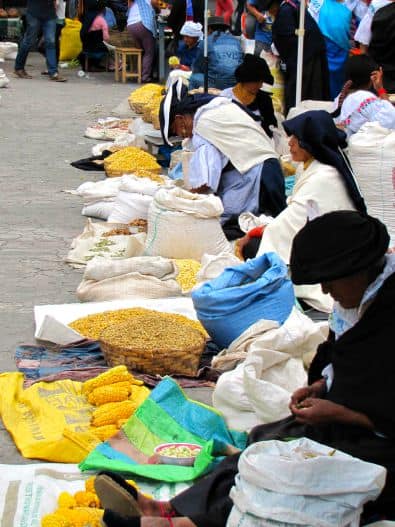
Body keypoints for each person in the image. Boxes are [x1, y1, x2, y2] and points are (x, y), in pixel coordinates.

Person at [94, 211, 395, 527]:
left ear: (361, 272)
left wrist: (340, 414)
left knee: (292, 471)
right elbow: (343, 364)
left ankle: (185, 523)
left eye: (330, 282)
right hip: (343, 420)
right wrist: (321, 385)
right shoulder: (357, 302)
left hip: (381, 446)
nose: (325, 291)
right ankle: (169, 509)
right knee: (265, 442)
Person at [241, 110, 366, 312]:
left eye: (296, 139)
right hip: (325, 242)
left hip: (333, 254)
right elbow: (296, 216)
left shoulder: (324, 177)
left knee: (255, 249)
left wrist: (256, 232)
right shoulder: (314, 167)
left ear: (310, 142)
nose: (290, 143)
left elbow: (287, 226)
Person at [159, 81, 286, 234]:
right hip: (268, 169)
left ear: (180, 119)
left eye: (176, 131)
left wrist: (185, 201)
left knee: (240, 227)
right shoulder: (215, 109)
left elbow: (206, 179)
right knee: (272, 228)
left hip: (261, 176)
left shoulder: (203, 124)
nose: (181, 135)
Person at [271, 0, 330, 114]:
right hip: (310, 55)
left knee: (301, 94)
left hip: (305, 60)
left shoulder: (286, 11)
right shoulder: (293, 6)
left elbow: (285, 38)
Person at [333, 55, 395, 137]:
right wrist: (380, 89)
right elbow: (391, 120)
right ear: (373, 77)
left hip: (349, 141)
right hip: (361, 145)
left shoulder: (341, 96)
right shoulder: (365, 98)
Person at [221, 53, 277, 138]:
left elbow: (271, 129)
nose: (260, 85)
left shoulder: (264, 100)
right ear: (246, 79)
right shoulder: (226, 96)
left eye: (261, 82)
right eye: (257, 82)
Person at [14, 0, 67, 81]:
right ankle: (19, 68)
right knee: (29, 41)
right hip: (34, 13)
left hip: (50, 14)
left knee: (51, 42)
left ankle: (53, 72)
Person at [189, 16, 243, 91]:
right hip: (236, 83)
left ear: (209, 29)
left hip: (216, 84)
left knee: (193, 78)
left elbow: (197, 67)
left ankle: (192, 101)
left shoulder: (205, 42)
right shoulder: (236, 41)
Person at [355, 0, 395, 92]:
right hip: (379, 76)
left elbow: (363, 40)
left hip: (379, 76)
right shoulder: (377, 5)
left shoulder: (377, 5)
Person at [127, 0, 159, 82]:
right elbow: (155, 2)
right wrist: (164, 7)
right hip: (143, 24)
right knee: (149, 52)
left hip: (131, 25)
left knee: (141, 51)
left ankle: (138, 73)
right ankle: (145, 77)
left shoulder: (135, 2)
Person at [79, 0, 110, 71]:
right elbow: (106, 35)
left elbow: (82, 34)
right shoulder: (100, 19)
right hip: (95, 45)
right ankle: (93, 65)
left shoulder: (88, 17)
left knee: (88, 49)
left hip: (87, 44)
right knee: (104, 49)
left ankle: (90, 65)